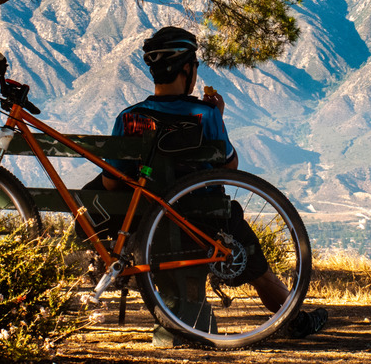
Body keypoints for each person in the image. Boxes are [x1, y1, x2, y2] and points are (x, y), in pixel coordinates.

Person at [101, 26, 327, 339]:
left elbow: (111, 185)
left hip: (146, 229)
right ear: (187, 69)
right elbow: (230, 167)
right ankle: (294, 320)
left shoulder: (128, 117)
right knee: (257, 269)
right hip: (206, 224)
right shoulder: (204, 114)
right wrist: (218, 115)